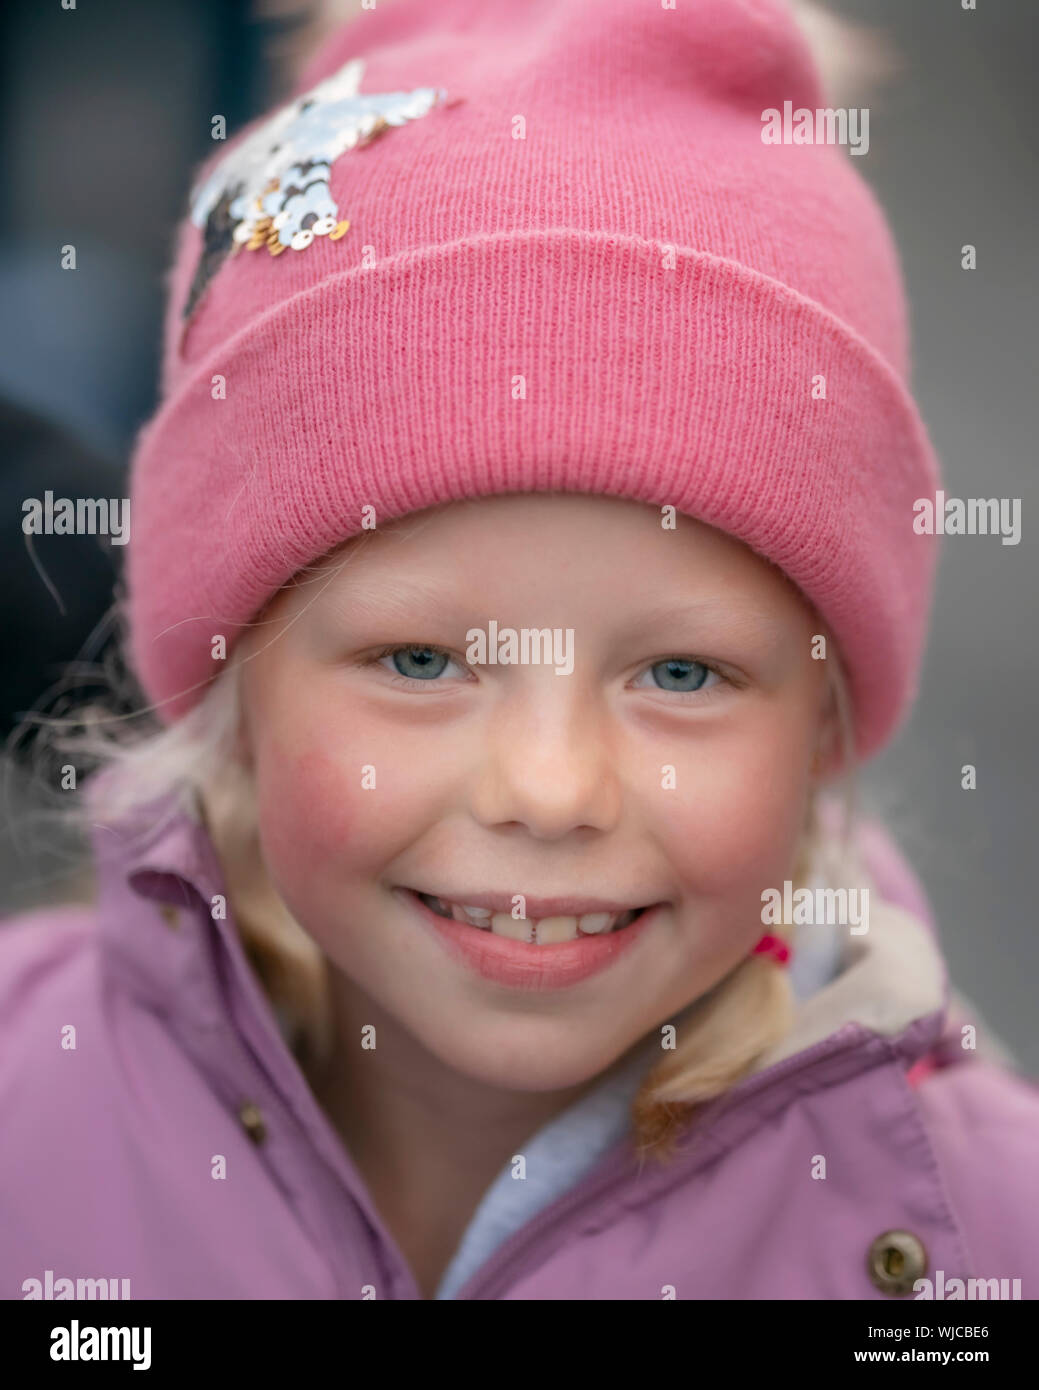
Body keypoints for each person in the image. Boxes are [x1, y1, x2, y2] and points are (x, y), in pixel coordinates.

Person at [2, 0, 1036, 1302]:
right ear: (232, 688)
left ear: (826, 717)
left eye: (681, 675)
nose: (549, 790)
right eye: (423, 660)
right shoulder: (26, 1113)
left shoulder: (978, 1244)